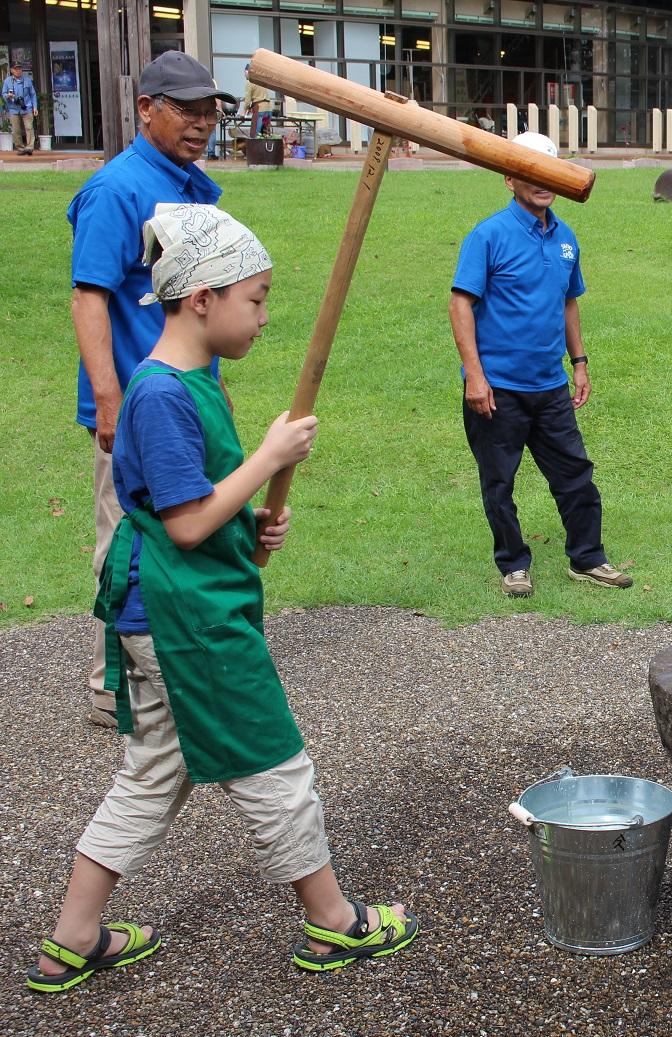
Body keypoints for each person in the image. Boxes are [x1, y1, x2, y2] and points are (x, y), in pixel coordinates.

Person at [26, 205, 417, 994]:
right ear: (200, 297)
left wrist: (254, 523)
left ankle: (72, 938)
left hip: (175, 611)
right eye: (257, 297)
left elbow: (207, 505)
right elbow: (188, 521)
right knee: (273, 761)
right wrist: (267, 458)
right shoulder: (161, 396)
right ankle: (334, 921)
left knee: (153, 774)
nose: (267, 316)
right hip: (185, 622)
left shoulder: (193, 380)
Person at [68, 50, 234, 730]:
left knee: (188, 527)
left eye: (209, 111)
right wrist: (107, 398)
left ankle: (173, 660)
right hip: (134, 401)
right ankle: (115, 682)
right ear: (145, 108)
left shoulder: (194, 186)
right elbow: (89, 298)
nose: (202, 123)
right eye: (186, 110)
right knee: (128, 536)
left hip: (188, 392)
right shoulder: (119, 189)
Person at [449, 131, 633, 599]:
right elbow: (460, 304)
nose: (542, 183)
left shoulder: (565, 237)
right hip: (497, 388)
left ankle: (588, 558)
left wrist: (581, 363)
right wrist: (475, 375)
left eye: (551, 172)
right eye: (531, 173)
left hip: (550, 385)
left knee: (576, 476)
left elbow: (569, 303)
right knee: (499, 482)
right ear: (510, 178)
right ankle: (513, 564)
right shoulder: (488, 235)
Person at [3, 61, 37, 155]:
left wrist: (35, 107)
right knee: (16, 129)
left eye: (20, 68)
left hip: (27, 107)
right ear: (12, 70)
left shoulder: (27, 80)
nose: (18, 70)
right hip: (13, 108)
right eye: (16, 69)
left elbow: (33, 94)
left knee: (29, 127)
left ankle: (29, 147)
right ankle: (21, 148)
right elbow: (3, 94)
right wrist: (8, 96)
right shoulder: (7, 81)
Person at [241, 65, 271, 141]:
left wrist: (244, 112)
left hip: (259, 110)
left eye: (245, 72)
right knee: (265, 134)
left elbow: (247, 101)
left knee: (256, 135)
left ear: (248, 72)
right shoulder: (261, 81)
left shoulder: (250, 82)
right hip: (268, 110)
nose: (244, 75)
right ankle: (267, 151)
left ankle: (256, 152)